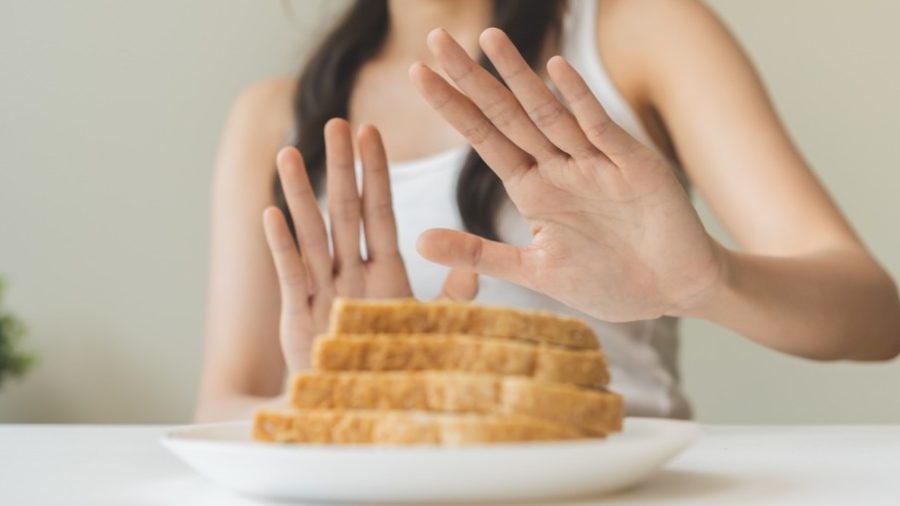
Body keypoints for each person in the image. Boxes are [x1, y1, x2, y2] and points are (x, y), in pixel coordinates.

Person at [194, 0, 900, 422]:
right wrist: (344, 396)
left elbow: (874, 315)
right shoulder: (272, 117)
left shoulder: (641, 32)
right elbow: (225, 405)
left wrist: (708, 283)